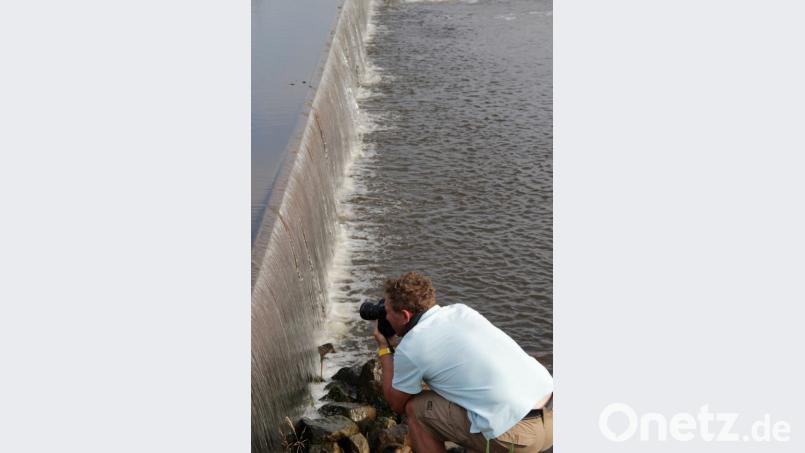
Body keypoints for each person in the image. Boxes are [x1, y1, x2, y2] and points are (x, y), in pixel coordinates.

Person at [372, 272, 554, 453]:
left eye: (387, 312)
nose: (385, 317)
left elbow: (396, 404)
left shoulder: (412, 346)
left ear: (405, 315)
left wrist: (384, 348)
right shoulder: (461, 311)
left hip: (520, 437)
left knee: (416, 409)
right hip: (552, 416)